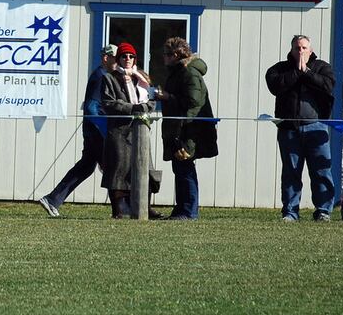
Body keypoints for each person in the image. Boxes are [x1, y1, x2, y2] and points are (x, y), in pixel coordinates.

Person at [37, 45, 118, 217]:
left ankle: (53, 199)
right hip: (96, 132)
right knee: (112, 167)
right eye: (115, 58)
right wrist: (103, 130)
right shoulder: (101, 77)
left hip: (92, 130)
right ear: (106, 58)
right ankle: (120, 210)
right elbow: (91, 107)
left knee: (87, 167)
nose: (118, 62)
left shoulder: (103, 75)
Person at [265, 34, 335, 222]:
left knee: (321, 171)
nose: (301, 51)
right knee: (291, 171)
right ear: (291, 50)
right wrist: (297, 72)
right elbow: (275, 85)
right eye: (297, 48)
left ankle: (323, 210)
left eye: (304, 48)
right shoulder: (280, 69)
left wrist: (307, 73)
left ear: (310, 50)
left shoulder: (322, 67)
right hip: (289, 130)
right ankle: (290, 211)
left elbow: (328, 85)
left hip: (317, 128)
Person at [157, 37, 218, 221]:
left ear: (175, 55)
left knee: (185, 167)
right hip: (180, 128)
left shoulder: (189, 73)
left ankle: (189, 211)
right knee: (180, 167)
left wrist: (168, 97)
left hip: (190, 129)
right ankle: (181, 208)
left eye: (167, 55)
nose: (164, 58)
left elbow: (193, 103)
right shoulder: (178, 72)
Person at [100, 42, 159, 219]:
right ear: (118, 59)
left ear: (135, 59)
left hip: (140, 132)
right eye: (124, 56)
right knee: (119, 170)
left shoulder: (142, 79)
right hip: (118, 132)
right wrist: (133, 109)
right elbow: (109, 103)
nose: (128, 59)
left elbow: (152, 100)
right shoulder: (109, 78)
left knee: (143, 169)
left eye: (131, 56)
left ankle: (144, 207)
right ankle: (120, 209)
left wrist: (144, 108)